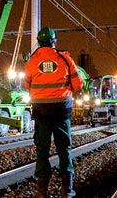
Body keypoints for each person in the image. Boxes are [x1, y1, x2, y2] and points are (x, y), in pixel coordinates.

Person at [24, 27, 84, 198]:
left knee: (42, 148)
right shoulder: (65, 58)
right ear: (53, 41)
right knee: (64, 147)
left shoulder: (32, 61)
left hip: (41, 111)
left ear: (39, 41)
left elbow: (26, 84)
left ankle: (42, 191)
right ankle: (67, 189)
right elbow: (78, 84)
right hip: (61, 111)